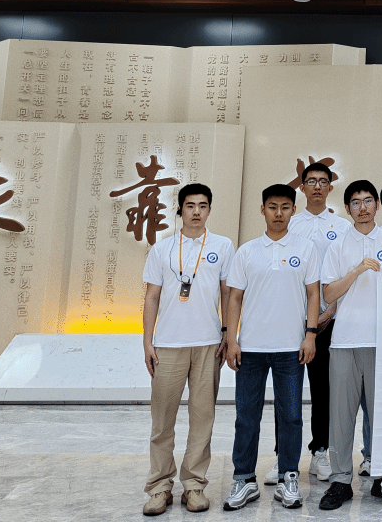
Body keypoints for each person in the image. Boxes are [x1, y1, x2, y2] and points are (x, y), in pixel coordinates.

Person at [222, 184, 321, 512]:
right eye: (272, 207)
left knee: (291, 416)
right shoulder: (247, 251)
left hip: (291, 348)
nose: (279, 213)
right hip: (250, 348)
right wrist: (232, 339)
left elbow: (313, 294)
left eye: (285, 207)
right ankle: (244, 479)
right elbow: (234, 298)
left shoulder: (306, 248)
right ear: (262, 210)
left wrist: (310, 335)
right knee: (246, 417)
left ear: (293, 210)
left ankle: (288, 476)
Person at [141, 184, 234, 516]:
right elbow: (152, 296)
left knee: (202, 418)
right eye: (190, 205)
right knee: (162, 421)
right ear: (180, 209)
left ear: (209, 210)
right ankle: (159, 487)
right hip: (168, 344)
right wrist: (148, 341)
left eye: (203, 205)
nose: (196, 211)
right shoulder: (162, 248)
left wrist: (228, 333)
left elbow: (228, 294)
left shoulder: (223, 246)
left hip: (209, 343)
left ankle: (194, 484)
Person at [318, 180, 382, 510]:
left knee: (381, 414)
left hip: (381, 340)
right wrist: (356, 271)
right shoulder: (338, 245)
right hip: (345, 340)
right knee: (341, 416)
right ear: (347, 209)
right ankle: (341, 480)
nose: (363, 208)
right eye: (356, 203)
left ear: (377, 205)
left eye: (368, 201)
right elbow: (328, 293)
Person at [285, 162, 350, 486]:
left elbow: (344, 271)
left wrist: (331, 308)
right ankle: (284, 456)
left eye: (323, 181)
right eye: (311, 181)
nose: (317, 186)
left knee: (323, 389)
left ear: (330, 187)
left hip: (328, 319)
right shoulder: (290, 224)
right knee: (288, 390)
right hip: (291, 320)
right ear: (302, 187)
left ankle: (320, 450)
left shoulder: (342, 226)